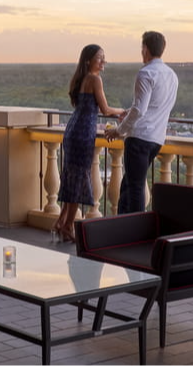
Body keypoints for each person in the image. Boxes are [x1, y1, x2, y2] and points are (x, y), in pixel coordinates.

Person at [54, 45, 123, 243]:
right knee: (78, 178)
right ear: (88, 61)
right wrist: (124, 111)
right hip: (83, 132)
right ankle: (67, 226)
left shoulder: (80, 78)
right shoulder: (94, 79)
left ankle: (60, 222)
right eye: (99, 58)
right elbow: (105, 109)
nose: (103, 62)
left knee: (71, 175)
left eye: (104, 58)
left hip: (73, 130)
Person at [105, 31, 178, 213]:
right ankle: (121, 224)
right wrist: (129, 113)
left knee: (135, 187)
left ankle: (135, 231)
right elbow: (154, 106)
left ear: (145, 49)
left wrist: (118, 131)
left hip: (139, 138)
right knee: (128, 185)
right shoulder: (172, 75)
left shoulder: (145, 73)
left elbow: (140, 110)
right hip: (156, 139)